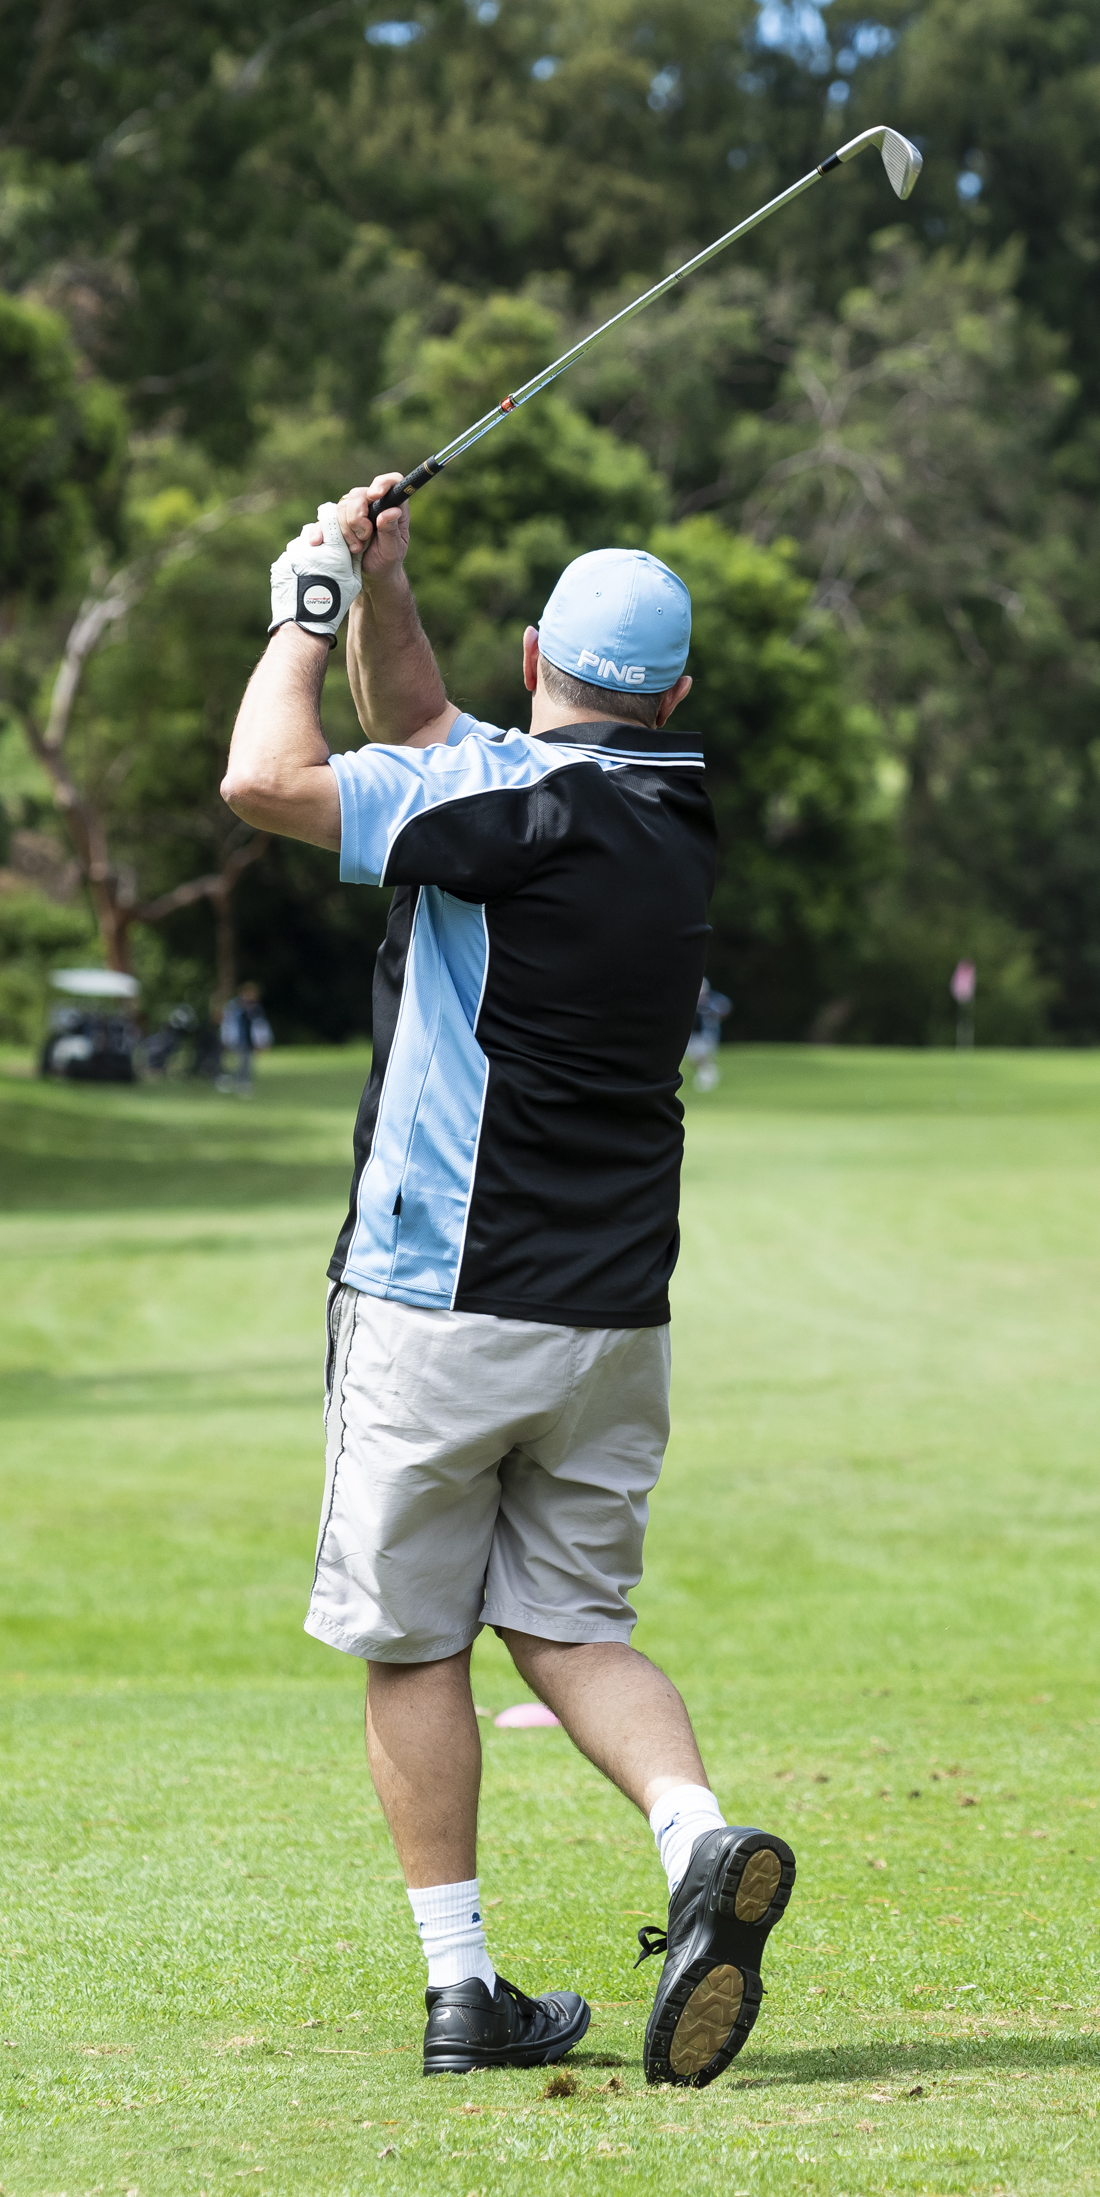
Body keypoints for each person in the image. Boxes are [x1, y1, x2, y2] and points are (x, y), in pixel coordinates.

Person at [218, 476, 794, 2087]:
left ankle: (462, 1987)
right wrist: (386, 592)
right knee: (570, 1622)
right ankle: (697, 1835)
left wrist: (303, 607)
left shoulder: (509, 809)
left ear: (538, 648)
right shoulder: (658, 815)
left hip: (435, 1300)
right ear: (673, 697)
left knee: (414, 1640)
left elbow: (266, 778)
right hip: (610, 1321)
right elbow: (442, 738)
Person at [220, 982, 270, 1093]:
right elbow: (226, 1024)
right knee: (234, 1062)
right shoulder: (233, 1007)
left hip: (248, 1040)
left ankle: (244, 1083)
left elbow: (260, 1026)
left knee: (246, 1062)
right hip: (235, 1039)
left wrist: (263, 1041)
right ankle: (231, 1081)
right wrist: (225, 1039)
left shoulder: (256, 1009)